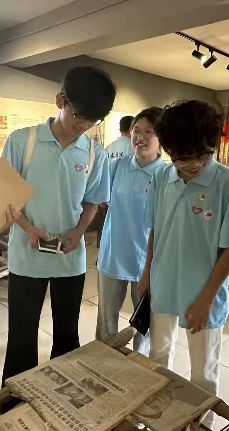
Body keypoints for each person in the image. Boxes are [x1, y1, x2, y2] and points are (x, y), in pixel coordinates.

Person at [1, 66, 115, 408]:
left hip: (69, 258)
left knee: (67, 334)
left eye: (93, 120)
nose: (84, 126)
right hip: (26, 256)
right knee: (22, 335)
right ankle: (13, 406)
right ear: (60, 100)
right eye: (79, 115)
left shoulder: (94, 152)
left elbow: (93, 201)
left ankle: (62, 403)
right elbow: (6, 197)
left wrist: (79, 232)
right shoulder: (22, 141)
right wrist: (28, 228)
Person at [139, 100, 229, 430]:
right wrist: (146, 273)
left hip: (204, 294)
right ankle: (157, 420)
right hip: (164, 285)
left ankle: (201, 427)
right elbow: (155, 229)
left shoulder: (228, 183)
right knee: (157, 359)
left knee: (203, 372)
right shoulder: (163, 176)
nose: (183, 165)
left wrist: (206, 300)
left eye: (192, 158)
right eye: (176, 157)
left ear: (209, 147)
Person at [96, 107, 165, 355]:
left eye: (149, 132)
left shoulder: (167, 175)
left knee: (143, 324)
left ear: (161, 138)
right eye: (136, 130)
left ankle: (138, 365)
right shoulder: (117, 166)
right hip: (113, 254)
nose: (140, 137)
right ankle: (104, 363)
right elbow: (100, 200)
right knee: (106, 321)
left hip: (147, 261)